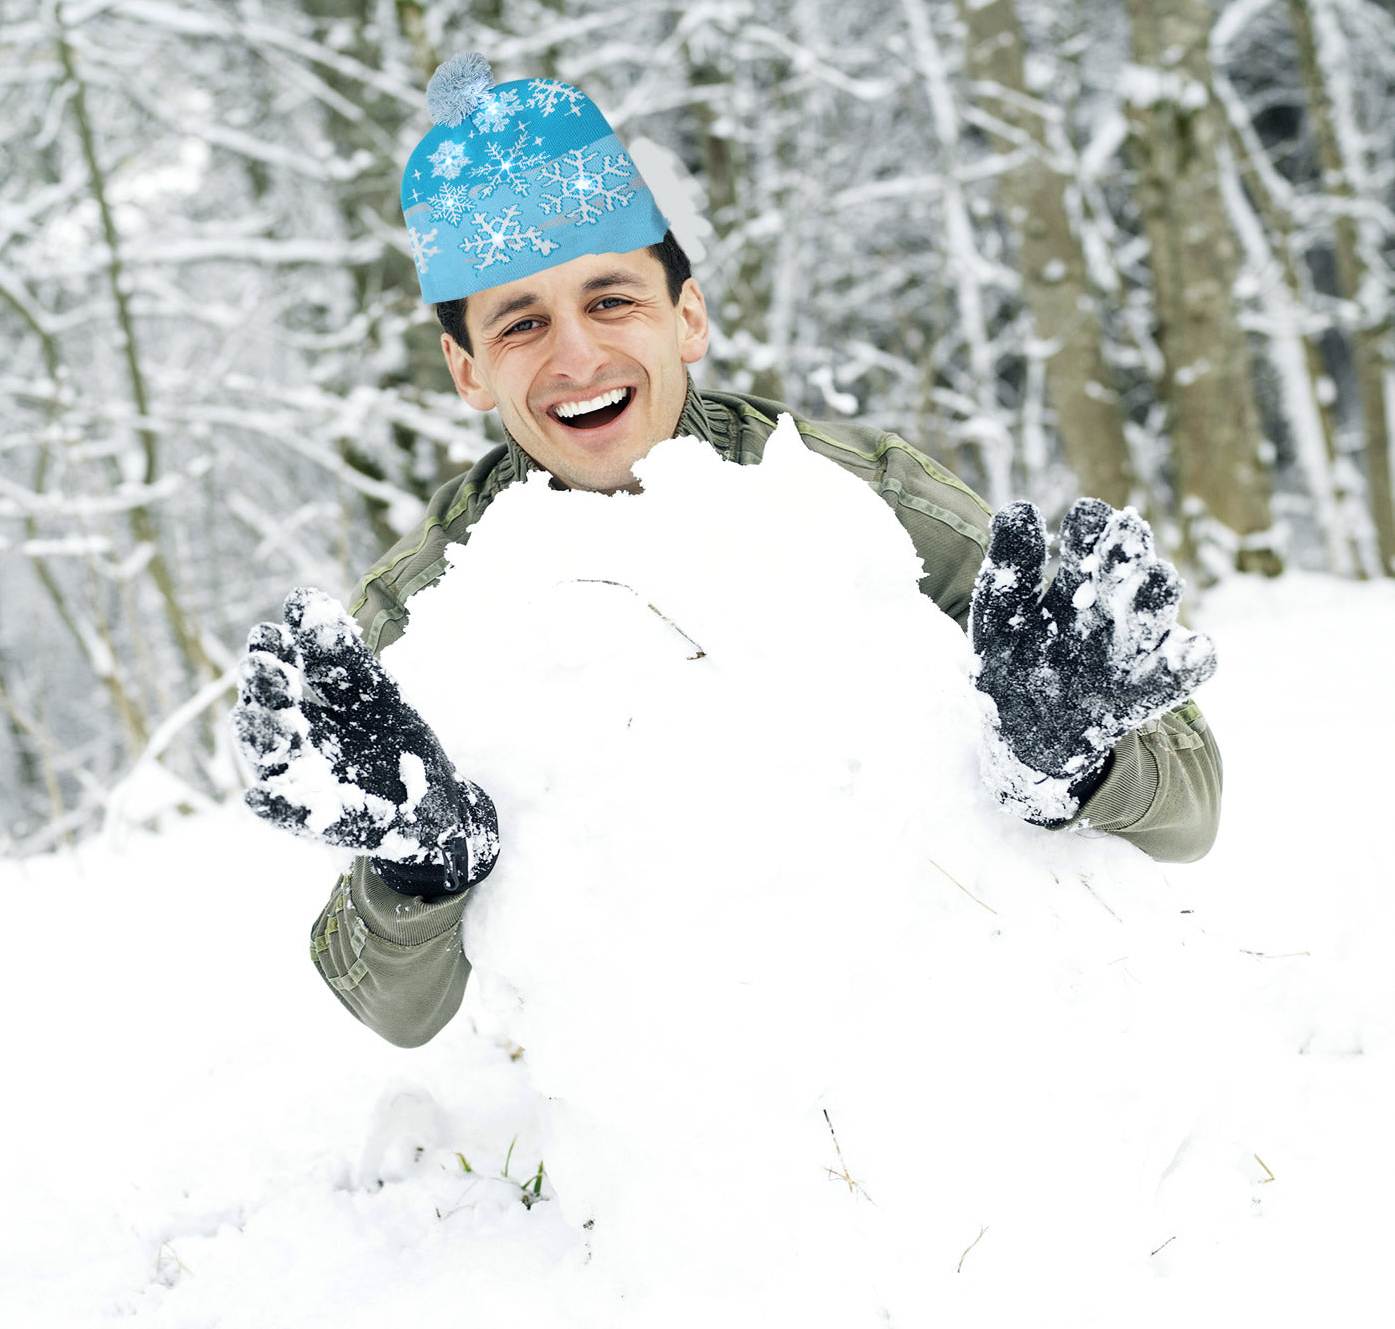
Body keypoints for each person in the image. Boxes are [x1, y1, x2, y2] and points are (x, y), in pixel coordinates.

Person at [232, 54, 1221, 1048]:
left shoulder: (858, 495)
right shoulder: (429, 607)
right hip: (649, 1112)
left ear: (687, 315)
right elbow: (388, 1009)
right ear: (467, 368)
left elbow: (1190, 815)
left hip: (942, 1042)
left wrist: (1065, 753)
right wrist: (425, 859)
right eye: (521, 323)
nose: (575, 356)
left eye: (610, 300)